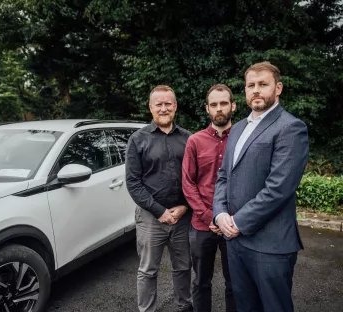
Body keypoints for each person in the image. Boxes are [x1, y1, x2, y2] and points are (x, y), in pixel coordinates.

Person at [213, 62, 309, 312]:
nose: (256, 90)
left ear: (278, 88)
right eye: (251, 85)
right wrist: (220, 213)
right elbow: (224, 176)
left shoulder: (290, 127)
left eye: (262, 84)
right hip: (236, 243)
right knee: (244, 306)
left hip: (271, 246)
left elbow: (279, 189)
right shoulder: (238, 129)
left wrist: (237, 222)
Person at [125, 85, 193, 312]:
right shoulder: (138, 139)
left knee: (183, 267)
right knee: (147, 270)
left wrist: (184, 206)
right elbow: (133, 183)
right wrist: (160, 212)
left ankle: (185, 306)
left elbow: (195, 178)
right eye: (159, 104)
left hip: (183, 217)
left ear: (175, 106)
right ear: (151, 108)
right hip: (150, 218)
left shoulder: (189, 139)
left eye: (168, 104)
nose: (163, 109)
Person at [182, 84, 237, 312]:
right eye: (214, 104)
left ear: (233, 105)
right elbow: (188, 183)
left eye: (223, 103)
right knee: (201, 282)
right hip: (202, 226)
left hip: (235, 224)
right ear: (207, 109)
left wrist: (231, 219)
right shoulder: (195, 141)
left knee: (235, 283)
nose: (219, 109)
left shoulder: (244, 137)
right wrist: (209, 217)